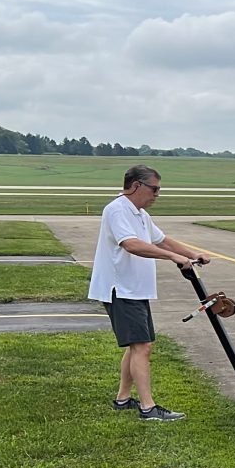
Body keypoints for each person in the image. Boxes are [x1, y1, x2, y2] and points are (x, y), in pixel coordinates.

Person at [87, 165, 210, 422]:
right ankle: (148, 407)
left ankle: (122, 398)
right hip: (120, 288)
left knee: (139, 345)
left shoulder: (140, 214)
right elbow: (130, 244)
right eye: (154, 189)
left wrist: (191, 254)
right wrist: (173, 257)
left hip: (136, 289)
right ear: (136, 186)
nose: (157, 194)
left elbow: (161, 239)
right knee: (141, 346)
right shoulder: (117, 210)